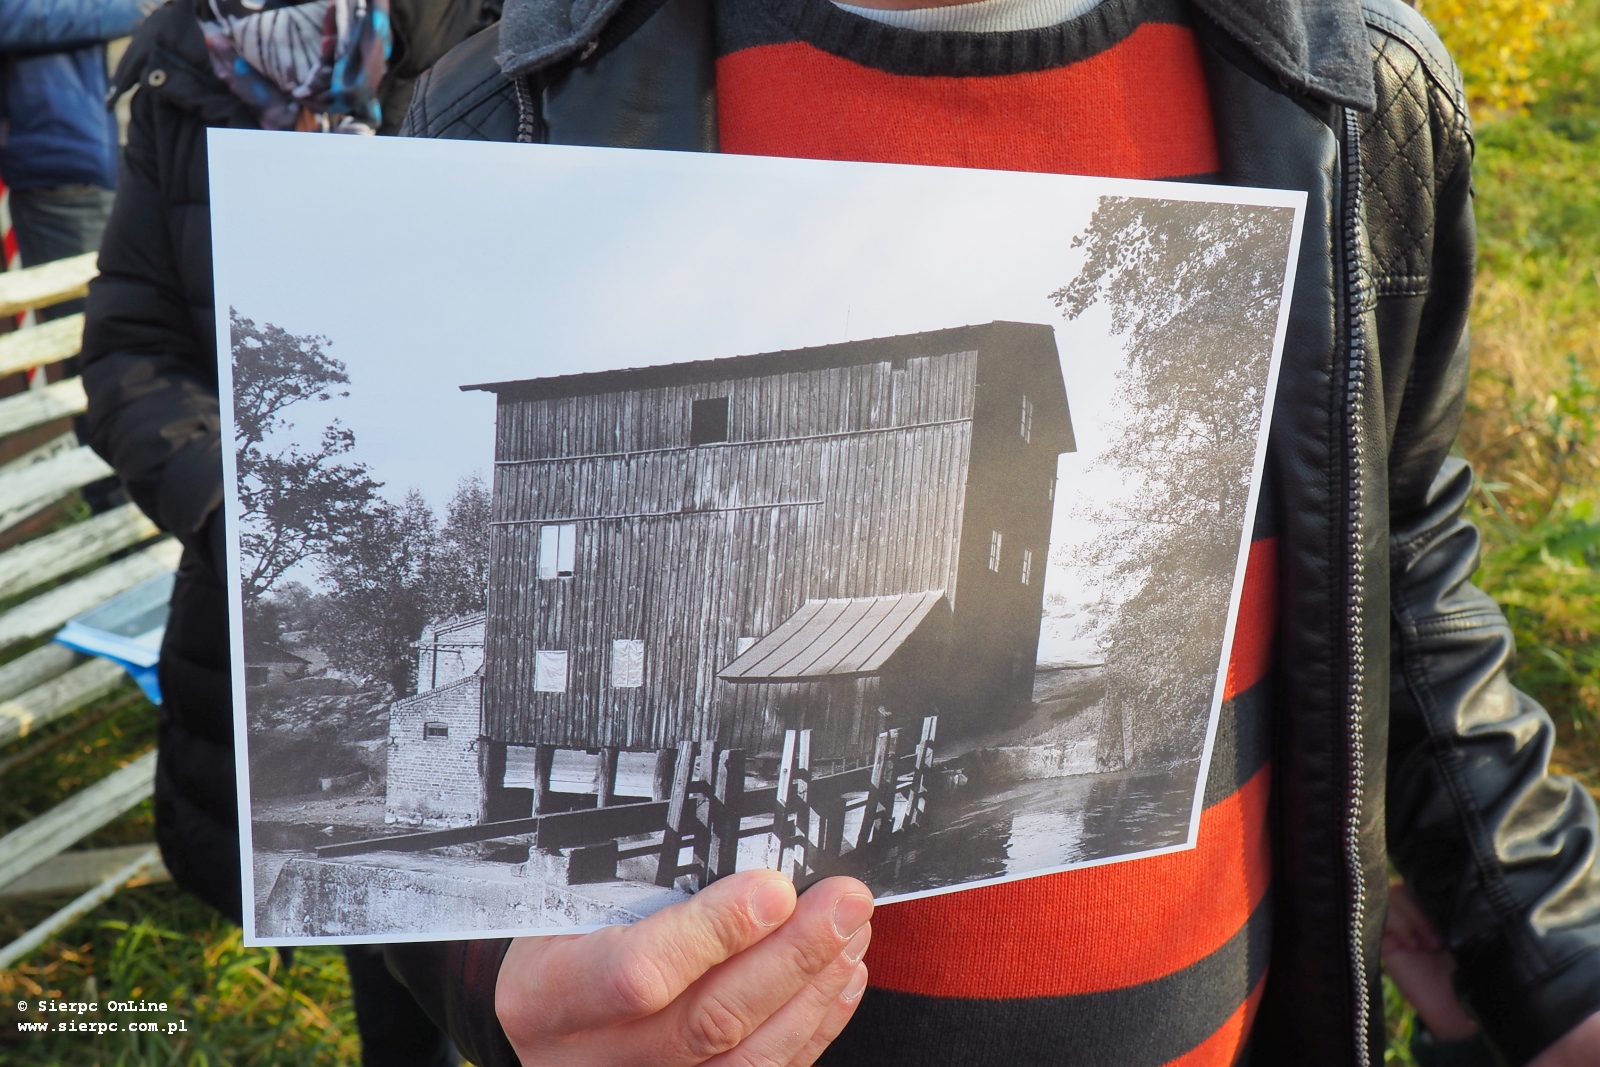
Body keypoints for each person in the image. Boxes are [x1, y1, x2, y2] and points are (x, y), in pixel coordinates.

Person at [382, 0, 1600, 1065]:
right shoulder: (506, 121)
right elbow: (384, 866)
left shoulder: (1360, 94)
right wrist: (499, 990)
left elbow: (1399, 571)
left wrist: (1555, 964)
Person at [77, 1, 488, 1063]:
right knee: (399, 975)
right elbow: (133, 344)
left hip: (509, 590)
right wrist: (244, 510)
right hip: (297, 623)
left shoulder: (541, 26)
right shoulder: (188, 57)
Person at [0, 0, 151, 320]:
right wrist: (136, 8)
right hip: (70, 173)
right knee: (94, 330)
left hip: (155, 159)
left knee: (163, 329)